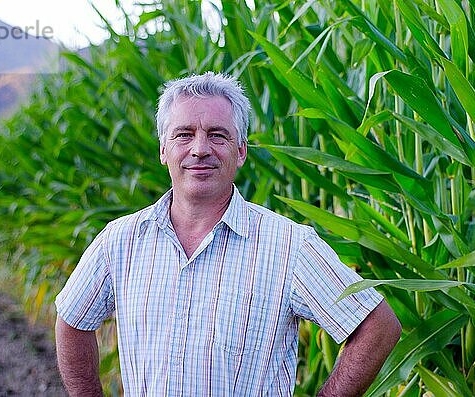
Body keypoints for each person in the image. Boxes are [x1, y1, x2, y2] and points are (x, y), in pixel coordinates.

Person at [55, 72, 401, 396]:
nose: (200, 149)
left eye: (218, 135)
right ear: (164, 150)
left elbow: (378, 327)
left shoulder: (289, 247)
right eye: (184, 134)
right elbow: (72, 320)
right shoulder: (121, 241)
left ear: (240, 152)